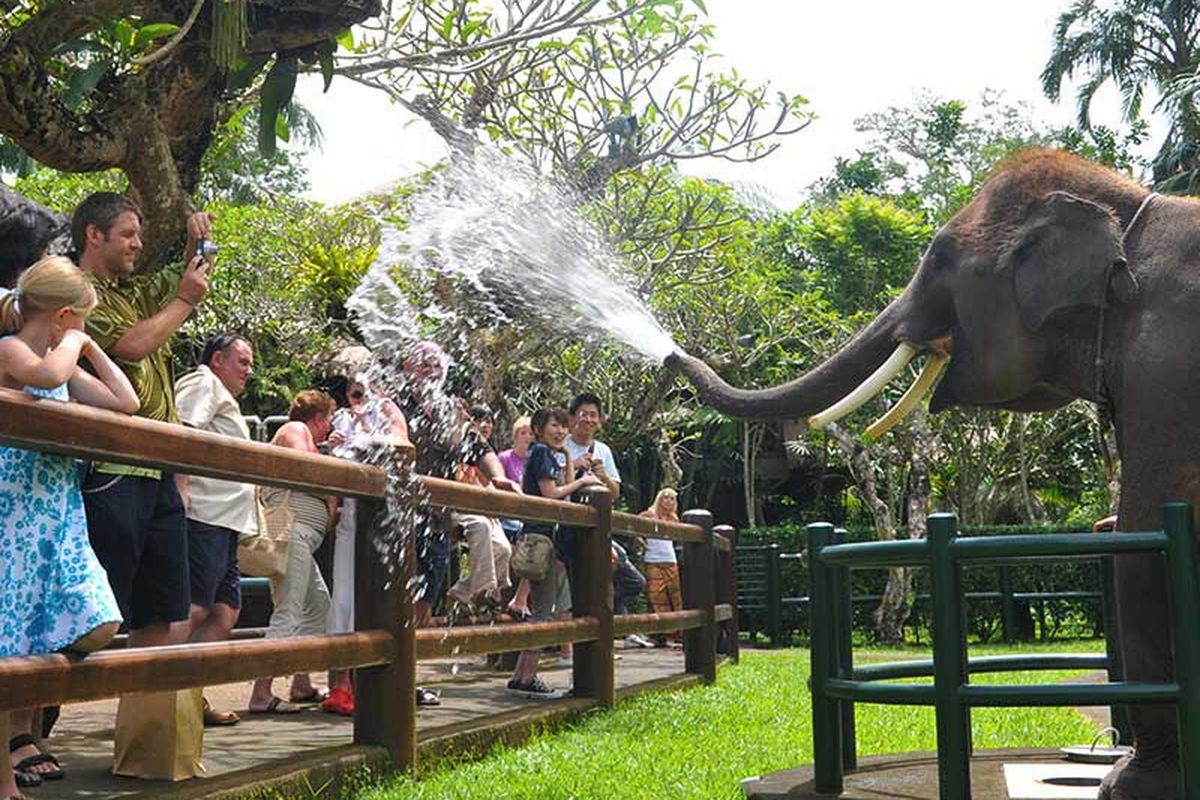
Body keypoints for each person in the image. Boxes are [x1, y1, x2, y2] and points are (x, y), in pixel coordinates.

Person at [0, 257, 138, 797]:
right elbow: (50, 377)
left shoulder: (66, 352)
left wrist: (91, 346)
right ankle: (7, 776)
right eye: (80, 321)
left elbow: (126, 403)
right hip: (15, 509)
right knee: (10, 634)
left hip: (54, 512)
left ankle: (21, 742)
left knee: (87, 618)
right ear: (61, 316)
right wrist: (76, 345)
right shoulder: (11, 348)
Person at [73, 192, 213, 650]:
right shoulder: (73, 292)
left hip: (159, 471)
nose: (137, 244)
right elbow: (131, 345)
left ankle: (141, 724)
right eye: (128, 234)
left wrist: (199, 243)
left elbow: (187, 279)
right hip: (111, 471)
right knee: (95, 615)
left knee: (166, 615)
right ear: (95, 235)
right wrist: (184, 304)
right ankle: (37, 718)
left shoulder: (135, 291)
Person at [173, 333, 258, 726]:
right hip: (203, 516)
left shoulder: (224, 396)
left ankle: (188, 697)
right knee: (193, 608)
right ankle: (157, 698)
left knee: (225, 612)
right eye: (243, 361)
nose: (249, 371)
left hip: (226, 523)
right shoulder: (203, 381)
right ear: (218, 359)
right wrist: (182, 490)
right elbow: (184, 431)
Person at [323, 374, 410, 717]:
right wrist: (332, 449)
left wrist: (366, 425)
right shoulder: (341, 419)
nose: (360, 396)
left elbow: (399, 448)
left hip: (381, 519)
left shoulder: (389, 411)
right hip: (349, 516)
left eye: (368, 389)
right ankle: (340, 682)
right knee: (343, 595)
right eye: (354, 392)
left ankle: (374, 681)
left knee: (373, 595)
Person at [247, 391, 338, 714]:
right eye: (329, 419)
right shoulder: (296, 430)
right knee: (290, 609)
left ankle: (301, 682)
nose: (330, 426)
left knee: (319, 606)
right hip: (292, 534)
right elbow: (306, 468)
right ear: (318, 417)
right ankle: (261, 692)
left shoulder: (311, 440)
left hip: (303, 539)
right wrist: (335, 463)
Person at [508, 407, 602, 699]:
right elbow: (552, 495)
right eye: (554, 426)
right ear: (538, 429)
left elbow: (564, 491)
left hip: (547, 539)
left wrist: (568, 459)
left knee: (543, 610)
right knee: (542, 612)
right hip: (541, 539)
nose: (561, 431)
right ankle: (526, 677)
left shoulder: (548, 455)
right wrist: (584, 481)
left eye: (564, 426)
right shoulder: (539, 454)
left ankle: (522, 676)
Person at [447, 405, 518, 614]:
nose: (485, 425)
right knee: (481, 527)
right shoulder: (454, 442)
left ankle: (463, 593)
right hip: (461, 508)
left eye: (489, 421)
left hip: (483, 507)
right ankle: (483, 594)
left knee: (503, 549)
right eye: (480, 420)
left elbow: (490, 480)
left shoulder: (483, 449)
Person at [498, 416, 536, 619]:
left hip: (528, 521)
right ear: (515, 436)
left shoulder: (536, 461)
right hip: (508, 519)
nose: (527, 437)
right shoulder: (504, 458)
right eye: (523, 433)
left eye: (531, 433)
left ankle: (523, 604)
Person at [639, 488, 684, 646]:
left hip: (670, 560)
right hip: (652, 560)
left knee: (675, 597)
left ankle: (677, 634)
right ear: (659, 499)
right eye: (665, 498)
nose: (668, 501)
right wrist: (640, 541)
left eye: (672, 499)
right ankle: (660, 634)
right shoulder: (649, 514)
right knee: (656, 596)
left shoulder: (673, 518)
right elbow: (633, 526)